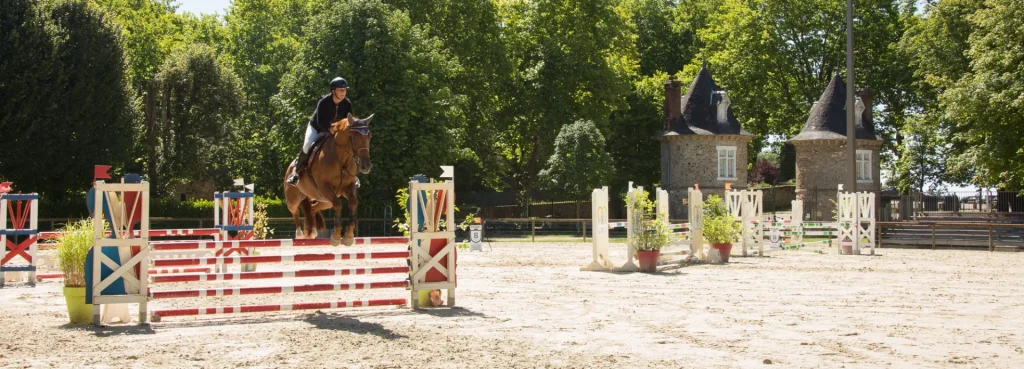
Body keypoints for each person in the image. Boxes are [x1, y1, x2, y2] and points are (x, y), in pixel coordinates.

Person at [287, 77, 354, 185]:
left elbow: (348, 121)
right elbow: (320, 122)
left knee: (349, 147)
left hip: (335, 131)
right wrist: (329, 129)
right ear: (333, 91)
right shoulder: (324, 102)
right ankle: (296, 173)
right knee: (307, 146)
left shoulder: (347, 103)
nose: (343, 92)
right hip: (317, 128)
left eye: (345, 90)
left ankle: (352, 176)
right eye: (340, 90)